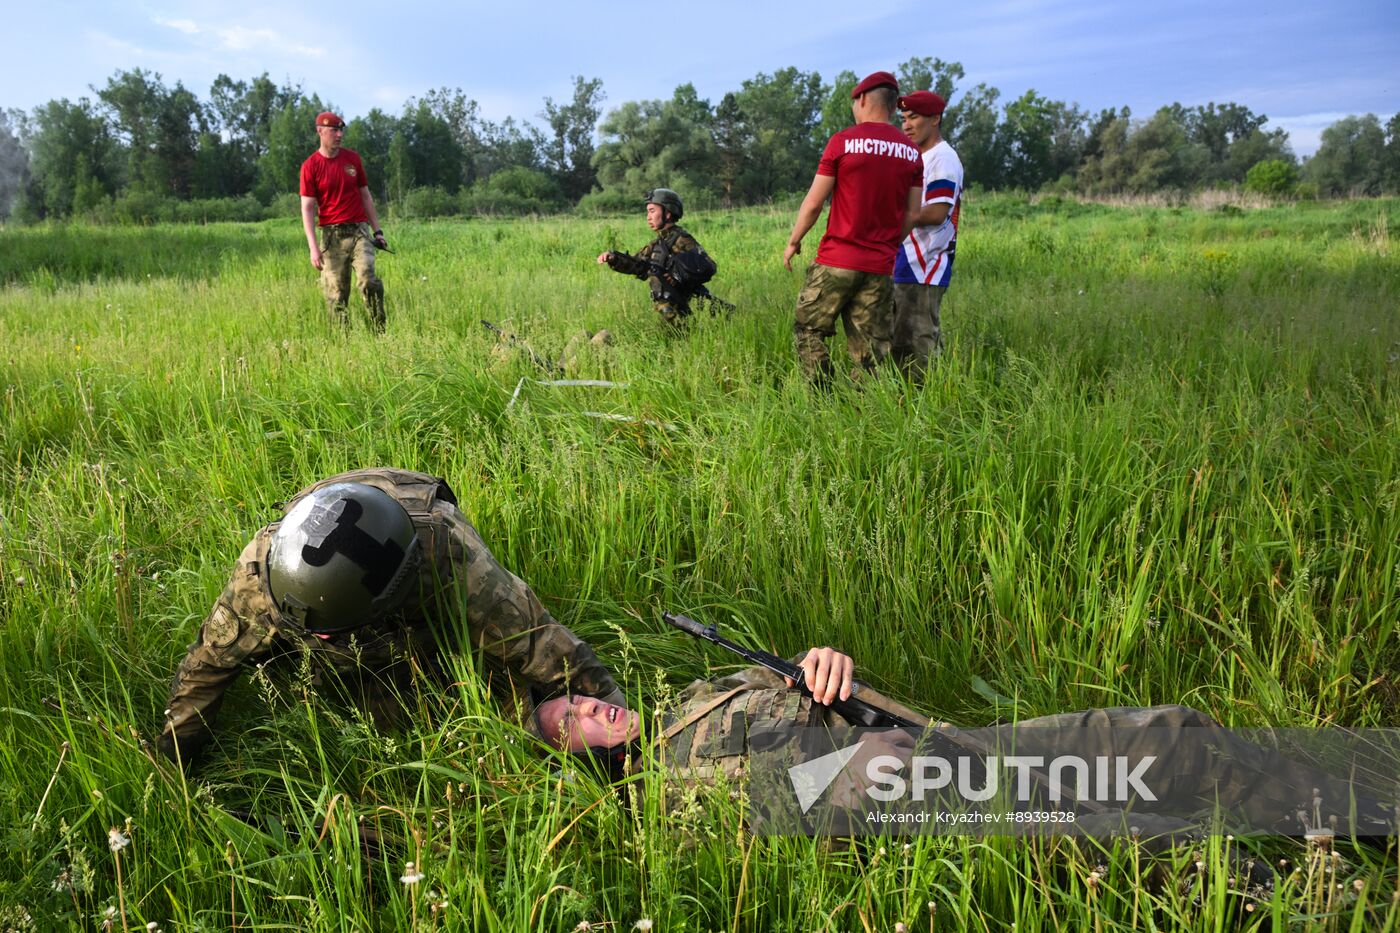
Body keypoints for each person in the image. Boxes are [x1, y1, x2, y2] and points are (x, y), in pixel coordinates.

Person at [534, 647, 1395, 840]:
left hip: (941, 745)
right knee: (1149, 837)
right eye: (568, 726)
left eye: (575, 699)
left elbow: (808, 684)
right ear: (584, 760)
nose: (585, 710)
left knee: (1166, 734)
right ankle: (1342, 839)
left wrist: (824, 665)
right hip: (923, 813)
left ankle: (1356, 790)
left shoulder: (698, 691)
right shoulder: (657, 798)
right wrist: (852, 772)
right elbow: (775, 812)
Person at [157, 468, 623, 766]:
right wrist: (174, 760)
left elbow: (545, 643)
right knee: (351, 703)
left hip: (409, 554)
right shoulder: (260, 579)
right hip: (346, 544)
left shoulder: (453, 560)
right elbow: (207, 667)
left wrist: (627, 735)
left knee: (462, 699)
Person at [784, 71, 923, 385]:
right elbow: (913, 214)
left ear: (862, 99)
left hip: (837, 260)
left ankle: (822, 400)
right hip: (879, 265)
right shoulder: (912, 153)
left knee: (808, 331)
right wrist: (887, 244)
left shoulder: (842, 142)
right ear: (892, 105)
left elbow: (814, 203)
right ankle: (863, 412)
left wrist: (794, 240)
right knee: (870, 352)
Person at [892, 91, 964, 379]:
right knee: (901, 339)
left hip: (926, 265)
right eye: (904, 119)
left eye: (914, 118)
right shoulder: (917, 157)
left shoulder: (943, 158)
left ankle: (924, 407)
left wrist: (892, 216)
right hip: (906, 262)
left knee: (918, 345)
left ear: (935, 119)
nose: (907, 126)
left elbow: (936, 212)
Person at [300, 111, 388, 331]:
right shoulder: (310, 166)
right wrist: (313, 247)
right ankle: (344, 342)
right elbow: (308, 208)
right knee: (336, 294)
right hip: (331, 237)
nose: (339, 135)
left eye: (341, 130)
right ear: (320, 131)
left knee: (368, 279)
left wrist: (377, 231)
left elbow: (366, 196)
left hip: (360, 231)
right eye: (334, 130)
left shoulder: (353, 160)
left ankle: (379, 330)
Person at [596, 188, 716, 329]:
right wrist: (614, 258)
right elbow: (637, 265)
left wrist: (678, 276)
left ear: (668, 213)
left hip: (678, 305)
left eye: (652, 211)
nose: (648, 216)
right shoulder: (658, 243)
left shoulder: (682, 239)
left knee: (680, 337)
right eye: (648, 211)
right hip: (666, 308)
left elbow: (709, 266)